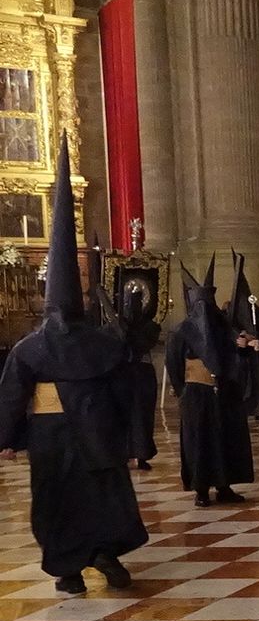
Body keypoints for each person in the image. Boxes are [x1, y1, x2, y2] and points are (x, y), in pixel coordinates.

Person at [0, 140, 146, 593]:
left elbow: (10, 396)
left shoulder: (29, 347)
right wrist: (134, 439)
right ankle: (97, 557)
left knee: (59, 499)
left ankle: (73, 568)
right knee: (95, 494)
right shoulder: (100, 345)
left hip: (52, 436)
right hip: (94, 432)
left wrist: (7, 439)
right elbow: (128, 393)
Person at [167, 256, 254, 507]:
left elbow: (237, 356)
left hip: (224, 392)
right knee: (199, 442)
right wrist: (182, 390)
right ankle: (201, 489)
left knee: (225, 440)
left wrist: (242, 348)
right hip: (196, 393)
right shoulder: (182, 331)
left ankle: (224, 485)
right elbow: (173, 364)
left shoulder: (225, 327)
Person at [118, 287, 160, 470]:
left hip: (142, 373)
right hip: (122, 373)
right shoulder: (117, 325)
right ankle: (122, 453)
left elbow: (143, 344)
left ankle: (142, 454)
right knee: (122, 416)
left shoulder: (151, 326)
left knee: (142, 416)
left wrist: (129, 334)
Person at [226, 254, 259, 422]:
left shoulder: (257, 313)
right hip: (238, 358)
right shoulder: (229, 313)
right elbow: (228, 332)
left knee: (257, 382)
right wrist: (240, 340)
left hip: (254, 356)